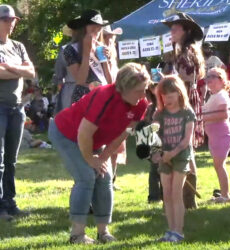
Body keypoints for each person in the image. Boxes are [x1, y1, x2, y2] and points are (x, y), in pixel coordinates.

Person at [48, 63, 150, 244]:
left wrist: (103, 158)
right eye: (139, 91)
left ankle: (103, 232)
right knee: (86, 177)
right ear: (124, 88)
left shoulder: (141, 104)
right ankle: (77, 235)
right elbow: (84, 132)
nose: (143, 95)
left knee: (104, 177)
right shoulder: (105, 97)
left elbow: (123, 133)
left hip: (93, 140)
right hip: (67, 134)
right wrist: (90, 159)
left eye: (145, 90)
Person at [0, 4, 35, 220]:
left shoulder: (18, 46)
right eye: (6, 20)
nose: (11, 24)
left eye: (13, 20)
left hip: (17, 108)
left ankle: (10, 203)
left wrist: (11, 68)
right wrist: (16, 71)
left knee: (11, 160)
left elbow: (31, 72)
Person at [162, 12, 205, 209]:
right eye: (171, 27)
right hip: (184, 101)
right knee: (188, 150)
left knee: (185, 148)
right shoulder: (181, 52)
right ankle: (188, 199)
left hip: (184, 103)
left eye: (176, 27)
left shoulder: (186, 53)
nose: (172, 30)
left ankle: (187, 199)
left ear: (186, 31)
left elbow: (185, 82)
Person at [154, 75, 196, 242]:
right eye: (163, 97)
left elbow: (187, 139)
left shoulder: (187, 112)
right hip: (164, 156)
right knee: (167, 193)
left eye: (170, 96)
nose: (166, 100)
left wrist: (173, 153)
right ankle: (170, 230)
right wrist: (158, 153)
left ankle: (178, 231)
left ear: (179, 94)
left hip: (180, 156)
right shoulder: (160, 114)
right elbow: (154, 136)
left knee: (176, 192)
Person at [64, 9, 111, 104]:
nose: (97, 31)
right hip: (84, 98)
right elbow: (80, 81)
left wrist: (106, 60)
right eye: (93, 27)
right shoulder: (71, 49)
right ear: (84, 28)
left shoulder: (101, 47)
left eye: (99, 28)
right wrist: (86, 52)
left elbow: (110, 82)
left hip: (104, 96)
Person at [203, 68, 230, 203]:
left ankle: (226, 196)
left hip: (222, 135)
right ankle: (224, 194)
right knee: (218, 166)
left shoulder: (222, 95)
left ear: (222, 80)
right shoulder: (214, 95)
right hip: (215, 137)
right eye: (208, 76)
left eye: (213, 76)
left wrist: (202, 117)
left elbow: (224, 114)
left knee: (219, 165)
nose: (209, 79)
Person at [102, 23, 125, 190]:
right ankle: (105, 179)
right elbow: (109, 81)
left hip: (118, 100)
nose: (110, 38)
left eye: (112, 36)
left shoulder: (113, 54)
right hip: (107, 101)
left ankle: (112, 179)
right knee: (108, 142)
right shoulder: (101, 54)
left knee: (117, 144)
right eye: (107, 35)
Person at [53, 25, 77, 114]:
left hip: (70, 89)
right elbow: (59, 74)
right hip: (71, 88)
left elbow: (59, 74)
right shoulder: (65, 49)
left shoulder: (65, 49)